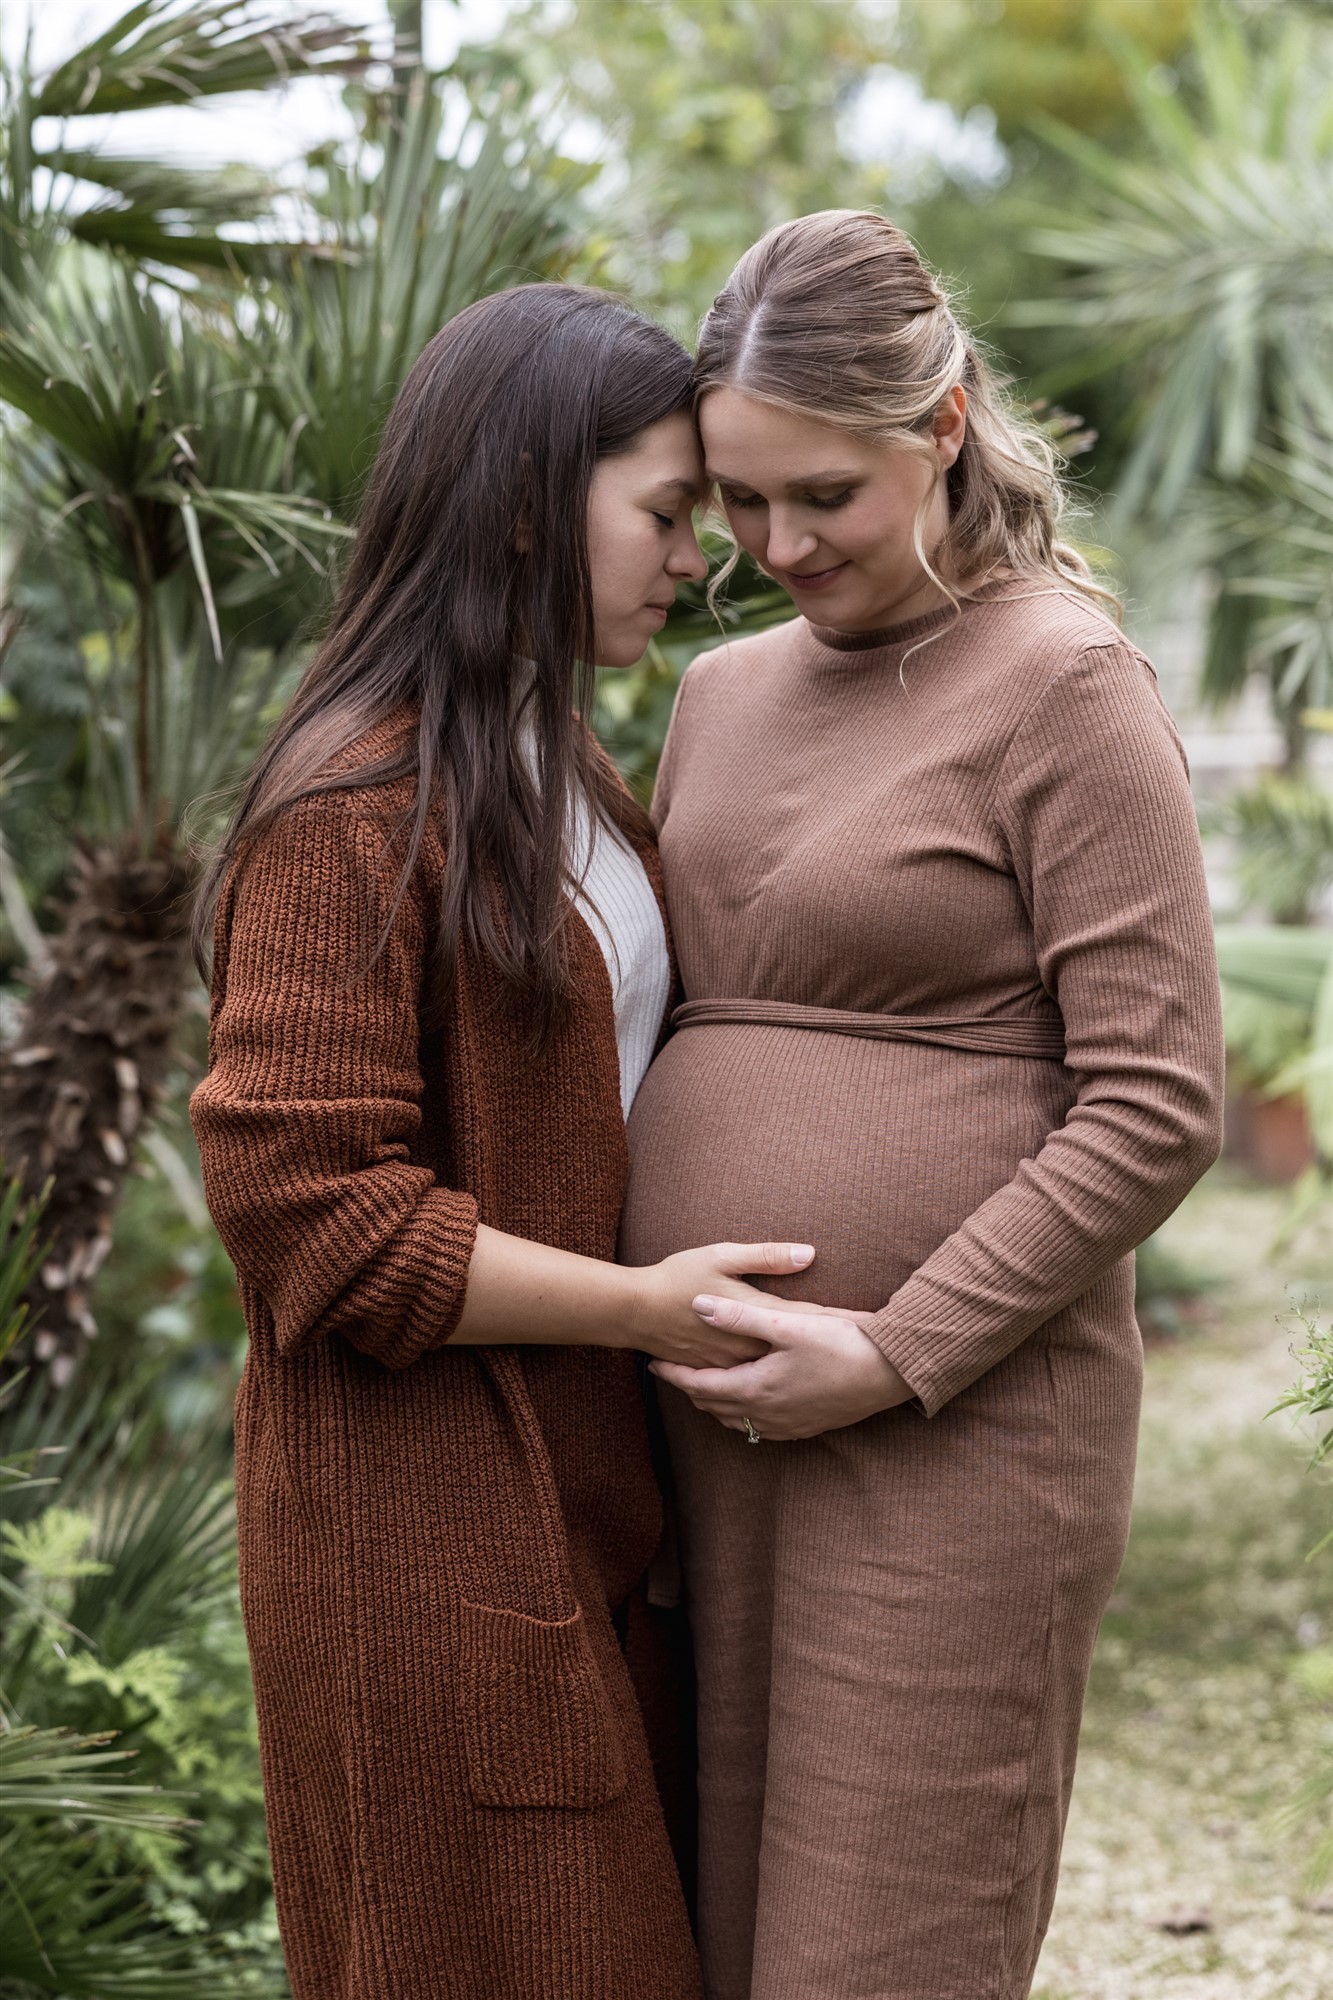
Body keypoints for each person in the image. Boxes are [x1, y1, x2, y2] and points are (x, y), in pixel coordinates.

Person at [189, 282, 821, 2000]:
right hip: (422, 1537)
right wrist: (646, 1312)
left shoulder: (563, 770)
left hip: (580, 1509)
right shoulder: (354, 809)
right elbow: (305, 1211)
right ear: (536, 498)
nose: (702, 555)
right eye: (669, 509)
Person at [619, 211, 1226, 1999]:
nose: (776, 545)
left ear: (943, 425)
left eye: (824, 495)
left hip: (953, 1434)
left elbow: (1153, 1101)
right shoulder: (720, 694)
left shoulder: (1064, 685)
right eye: (736, 499)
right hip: (709, 1439)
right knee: (722, 1945)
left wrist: (892, 1349)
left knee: (885, 1950)